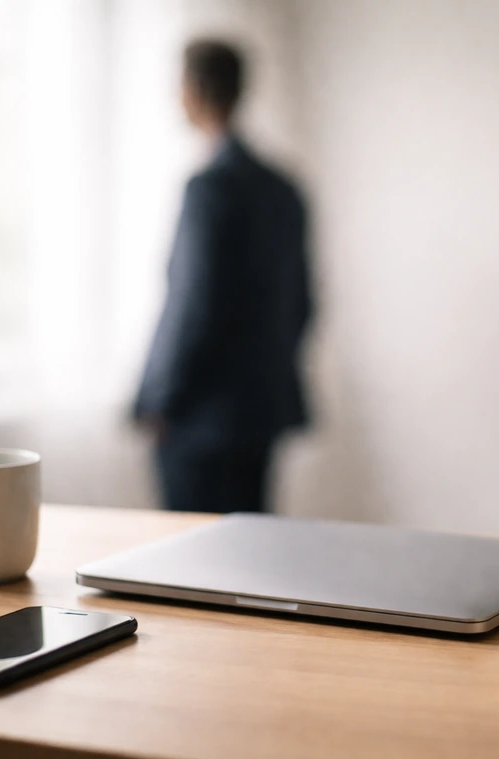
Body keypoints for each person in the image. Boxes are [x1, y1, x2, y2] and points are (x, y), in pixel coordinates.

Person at [133, 40, 313, 513]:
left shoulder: (209, 189)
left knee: (188, 566)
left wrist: (159, 400)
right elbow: (304, 304)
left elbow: (194, 306)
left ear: (192, 90)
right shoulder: (284, 189)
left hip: (201, 420)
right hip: (262, 411)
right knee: (252, 560)